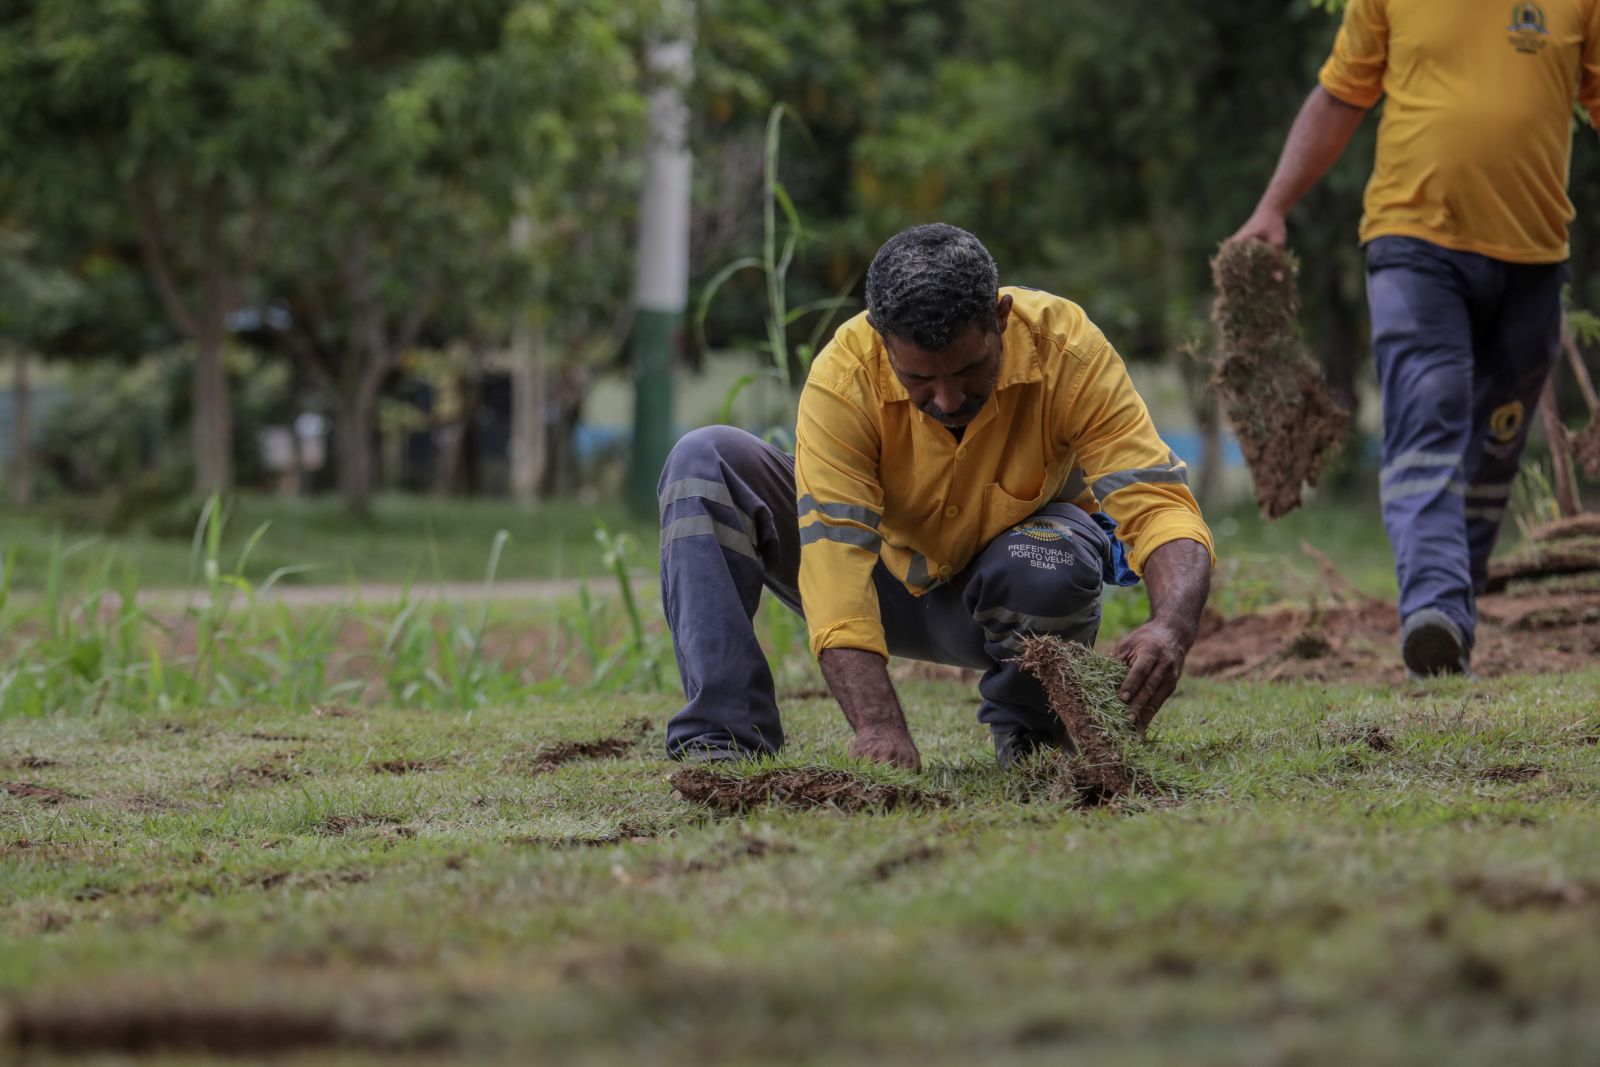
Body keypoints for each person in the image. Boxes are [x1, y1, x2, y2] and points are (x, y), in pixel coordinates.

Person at [655, 223, 1214, 770]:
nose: (947, 400)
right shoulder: (842, 378)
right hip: (882, 582)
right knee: (704, 460)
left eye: (970, 371)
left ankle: (1032, 734)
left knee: (1050, 554)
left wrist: (1171, 626)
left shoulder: (1067, 350)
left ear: (1000, 318)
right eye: (920, 378)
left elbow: (1157, 503)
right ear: (882, 339)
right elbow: (834, 565)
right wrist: (878, 728)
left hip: (1008, 583)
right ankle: (722, 741)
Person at [1232, 0, 1600, 676]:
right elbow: (1340, 97)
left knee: (1495, 438)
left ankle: (1453, 617)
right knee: (1430, 407)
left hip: (1535, 254)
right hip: (1414, 241)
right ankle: (1432, 607)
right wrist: (1272, 206)